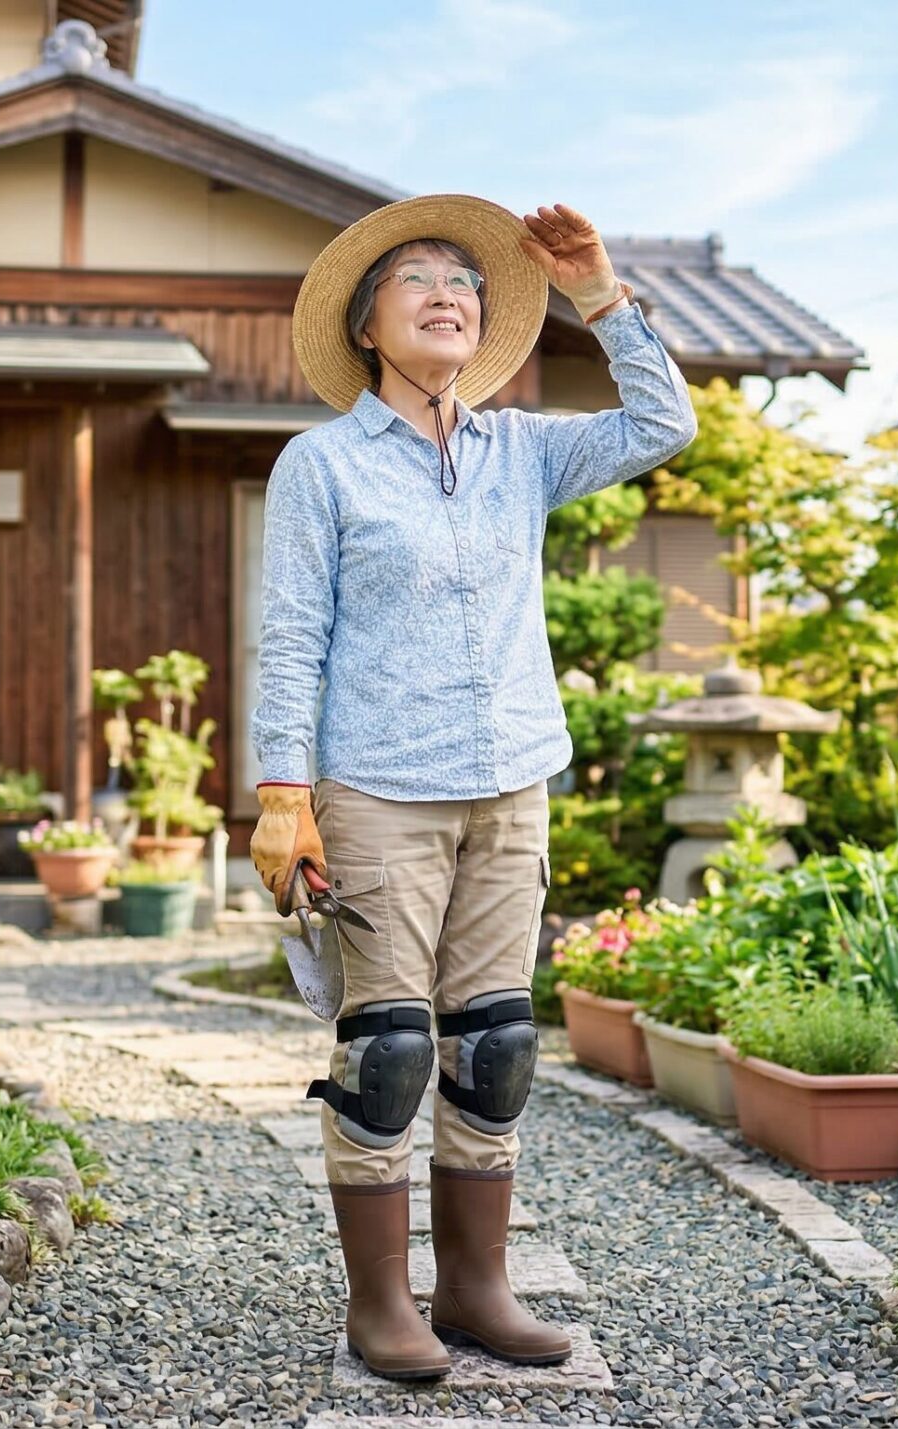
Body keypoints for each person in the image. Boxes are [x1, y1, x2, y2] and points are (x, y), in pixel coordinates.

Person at [247, 194, 698, 1380]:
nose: (449, 291)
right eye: (416, 280)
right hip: (376, 788)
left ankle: (480, 1288)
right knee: (386, 1050)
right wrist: (281, 793)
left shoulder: (522, 450)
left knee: (493, 1042)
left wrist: (598, 291)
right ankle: (378, 1303)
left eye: (465, 280)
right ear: (364, 326)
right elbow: (290, 637)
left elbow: (662, 425)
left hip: (510, 781)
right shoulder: (322, 465)